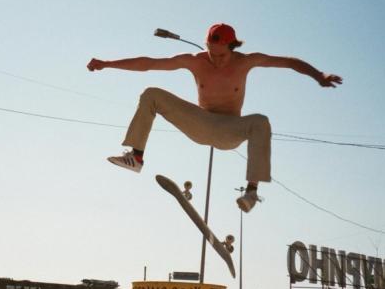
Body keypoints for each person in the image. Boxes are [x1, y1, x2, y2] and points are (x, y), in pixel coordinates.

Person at [87, 23, 342, 213]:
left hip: (230, 131)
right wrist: (108, 64)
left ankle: (251, 193)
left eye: (221, 55)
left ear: (232, 48)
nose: (215, 60)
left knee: (261, 121)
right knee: (152, 94)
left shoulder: (246, 61)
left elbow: (288, 62)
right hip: (201, 123)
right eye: (211, 53)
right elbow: (149, 63)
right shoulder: (195, 61)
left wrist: (318, 75)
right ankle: (136, 156)